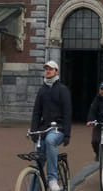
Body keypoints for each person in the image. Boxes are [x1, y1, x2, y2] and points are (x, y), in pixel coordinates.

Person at [30, 60, 72, 191]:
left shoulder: (63, 90)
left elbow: (67, 112)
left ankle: (53, 179)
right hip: (43, 129)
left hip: (57, 129)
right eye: (46, 69)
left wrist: (67, 134)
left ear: (56, 72)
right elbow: (36, 112)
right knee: (38, 162)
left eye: (51, 69)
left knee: (50, 141)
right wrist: (33, 131)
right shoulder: (42, 90)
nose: (48, 71)